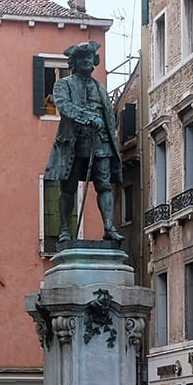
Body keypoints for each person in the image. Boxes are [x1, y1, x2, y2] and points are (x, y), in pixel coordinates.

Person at [44, 40, 126, 247]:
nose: (87, 61)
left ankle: (109, 228)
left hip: (101, 142)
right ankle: (64, 230)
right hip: (74, 142)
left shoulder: (100, 88)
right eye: (82, 58)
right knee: (69, 187)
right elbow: (64, 106)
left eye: (90, 58)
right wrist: (88, 118)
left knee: (105, 185)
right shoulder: (63, 84)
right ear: (74, 62)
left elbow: (108, 116)